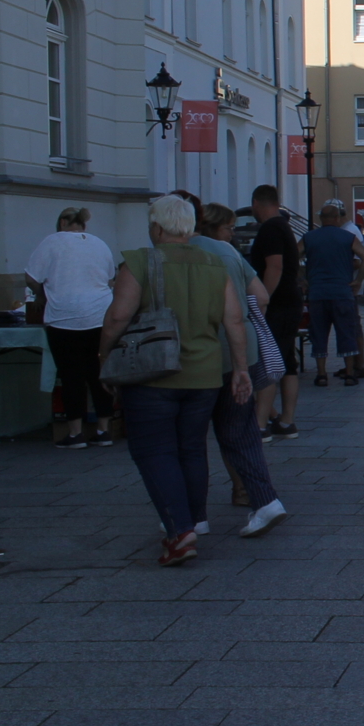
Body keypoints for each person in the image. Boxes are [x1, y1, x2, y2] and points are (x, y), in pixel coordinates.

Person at [98, 194, 251, 566]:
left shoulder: (139, 262)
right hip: (205, 375)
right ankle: (194, 521)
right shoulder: (215, 264)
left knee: (154, 450)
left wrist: (104, 356)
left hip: (152, 374)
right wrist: (242, 370)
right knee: (191, 447)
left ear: (156, 226)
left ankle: (179, 531)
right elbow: (234, 321)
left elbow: (119, 316)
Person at [191, 201, 288, 537]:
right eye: (230, 227)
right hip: (238, 351)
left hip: (193, 354)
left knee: (189, 437)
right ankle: (261, 499)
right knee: (239, 430)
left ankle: (194, 515)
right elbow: (260, 296)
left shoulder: (168, 253)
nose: (233, 232)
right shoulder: (228, 253)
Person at [25, 206, 117, 449]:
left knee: (71, 375)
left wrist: (41, 295)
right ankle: (104, 430)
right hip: (100, 315)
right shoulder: (99, 243)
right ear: (83, 225)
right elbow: (109, 278)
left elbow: (31, 277)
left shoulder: (52, 242)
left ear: (63, 222)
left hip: (63, 317)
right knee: (99, 373)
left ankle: (75, 434)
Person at [247, 184, 302, 441]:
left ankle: (260, 424)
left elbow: (274, 267)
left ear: (257, 203)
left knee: (268, 360)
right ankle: (285, 420)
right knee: (287, 361)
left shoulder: (270, 228)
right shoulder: (284, 226)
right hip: (290, 300)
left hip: (277, 303)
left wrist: (263, 300)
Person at [303, 202, 364, 387]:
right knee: (346, 332)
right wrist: (358, 280)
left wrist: (302, 280)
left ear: (321, 219)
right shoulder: (347, 237)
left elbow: (292, 255)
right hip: (342, 292)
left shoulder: (309, 237)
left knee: (319, 334)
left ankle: (321, 374)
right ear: (338, 218)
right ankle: (349, 374)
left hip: (317, 293)